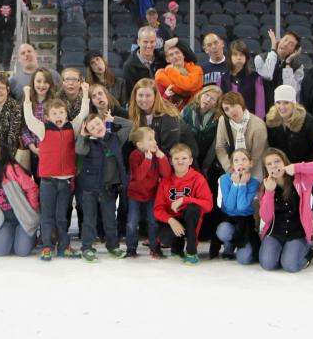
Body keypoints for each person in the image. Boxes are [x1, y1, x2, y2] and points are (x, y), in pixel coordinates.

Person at [23, 83, 90, 260]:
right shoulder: (43, 129)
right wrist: (27, 97)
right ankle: (47, 246)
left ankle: (64, 245)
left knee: (62, 217)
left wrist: (85, 93)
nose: (59, 116)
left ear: (66, 114)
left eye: (61, 113)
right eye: (54, 114)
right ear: (47, 117)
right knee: (47, 216)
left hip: (66, 182)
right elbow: (29, 119)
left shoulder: (72, 128)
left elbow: (83, 114)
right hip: (48, 182)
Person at [264, 84, 313, 231]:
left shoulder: (307, 121)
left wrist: (303, 168)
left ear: (293, 103)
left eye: (286, 102)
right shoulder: (270, 121)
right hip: (282, 168)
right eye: (278, 103)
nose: (282, 107)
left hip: (305, 164)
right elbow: (270, 147)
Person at [258, 148, 313, 272]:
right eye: (269, 164)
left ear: (284, 162)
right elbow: (266, 218)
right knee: (268, 264)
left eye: (277, 161)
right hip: (275, 233)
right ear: (266, 169)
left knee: (290, 266)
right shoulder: (266, 186)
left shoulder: (301, 178)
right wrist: (269, 192)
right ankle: (285, 251)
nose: (274, 166)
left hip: (297, 232)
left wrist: (297, 167)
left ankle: (306, 251)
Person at [75, 111, 132, 261]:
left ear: (103, 123)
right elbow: (79, 150)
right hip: (90, 189)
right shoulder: (88, 144)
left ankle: (113, 246)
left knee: (110, 220)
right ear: (88, 131)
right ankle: (87, 247)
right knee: (89, 220)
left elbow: (129, 125)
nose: (97, 128)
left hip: (108, 188)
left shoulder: (115, 138)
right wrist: (82, 133)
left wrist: (113, 119)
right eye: (92, 127)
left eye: (98, 124)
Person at [154, 143, 213, 265]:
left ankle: (191, 251)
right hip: (174, 219)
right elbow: (158, 209)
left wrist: (185, 199)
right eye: (176, 159)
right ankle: (177, 247)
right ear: (170, 161)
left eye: (184, 158)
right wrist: (170, 220)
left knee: (193, 209)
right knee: (165, 237)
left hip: (192, 221)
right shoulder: (166, 181)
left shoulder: (198, 179)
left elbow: (208, 205)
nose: (180, 162)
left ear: (190, 161)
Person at [0, 137, 40, 257]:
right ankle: (14, 235)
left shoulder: (11, 169)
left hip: (23, 218)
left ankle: (28, 236)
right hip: (4, 221)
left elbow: (32, 188)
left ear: (1, 153)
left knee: (21, 251)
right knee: (0, 251)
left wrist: (31, 211)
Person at [127, 127, 171, 258]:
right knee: (132, 222)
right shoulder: (134, 156)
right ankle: (131, 248)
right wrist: (147, 159)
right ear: (140, 144)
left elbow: (167, 174)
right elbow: (139, 176)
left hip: (152, 194)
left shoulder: (157, 155)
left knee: (153, 221)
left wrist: (162, 157)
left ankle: (155, 248)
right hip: (135, 194)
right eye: (150, 139)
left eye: (154, 139)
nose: (154, 142)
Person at [128, 77, 199, 158]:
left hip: (181, 162)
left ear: (155, 97)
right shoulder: (135, 113)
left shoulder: (168, 115)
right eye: (140, 95)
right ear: (135, 96)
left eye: (148, 96)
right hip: (154, 159)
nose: (144, 99)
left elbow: (168, 150)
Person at [213, 149, 261, 263]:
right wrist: (235, 184)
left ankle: (241, 245)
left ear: (250, 163)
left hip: (245, 222)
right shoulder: (224, 179)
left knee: (245, 259)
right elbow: (229, 206)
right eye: (236, 160)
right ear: (232, 165)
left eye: (244, 159)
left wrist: (242, 183)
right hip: (229, 220)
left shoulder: (254, 182)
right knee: (223, 230)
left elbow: (242, 206)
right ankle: (228, 246)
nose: (240, 163)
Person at [213, 92, 268, 180]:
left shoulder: (258, 125)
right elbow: (220, 147)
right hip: (232, 166)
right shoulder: (223, 121)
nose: (231, 111)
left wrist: (243, 173)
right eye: (226, 109)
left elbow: (256, 156)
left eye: (233, 105)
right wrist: (229, 168)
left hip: (254, 165)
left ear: (241, 104)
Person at [221, 39, 269, 119]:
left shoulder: (256, 78)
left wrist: (258, 123)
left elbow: (260, 106)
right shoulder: (223, 79)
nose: (239, 58)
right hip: (229, 121)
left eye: (242, 55)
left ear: (246, 57)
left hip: (251, 121)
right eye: (235, 55)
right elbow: (221, 106)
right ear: (230, 57)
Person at [155, 39, 203, 111]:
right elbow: (159, 78)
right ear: (167, 60)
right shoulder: (161, 73)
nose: (175, 56)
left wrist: (170, 70)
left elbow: (188, 85)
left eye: (177, 53)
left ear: (183, 55)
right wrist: (184, 90)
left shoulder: (196, 69)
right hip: (171, 111)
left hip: (193, 110)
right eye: (171, 55)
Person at [180, 84, 222, 165]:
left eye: (212, 99)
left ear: (216, 103)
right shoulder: (186, 111)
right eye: (206, 95)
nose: (208, 99)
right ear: (201, 94)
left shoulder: (218, 118)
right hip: (187, 158)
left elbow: (215, 146)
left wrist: (206, 165)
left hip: (208, 160)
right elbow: (179, 136)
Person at [255, 29, 304, 95]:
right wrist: (273, 49)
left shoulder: (298, 67)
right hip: (264, 100)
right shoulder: (260, 58)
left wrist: (288, 63)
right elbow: (267, 75)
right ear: (280, 40)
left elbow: (290, 90)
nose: (286, 44)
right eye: (285, 40)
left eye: (291, 44)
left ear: (294, 51)